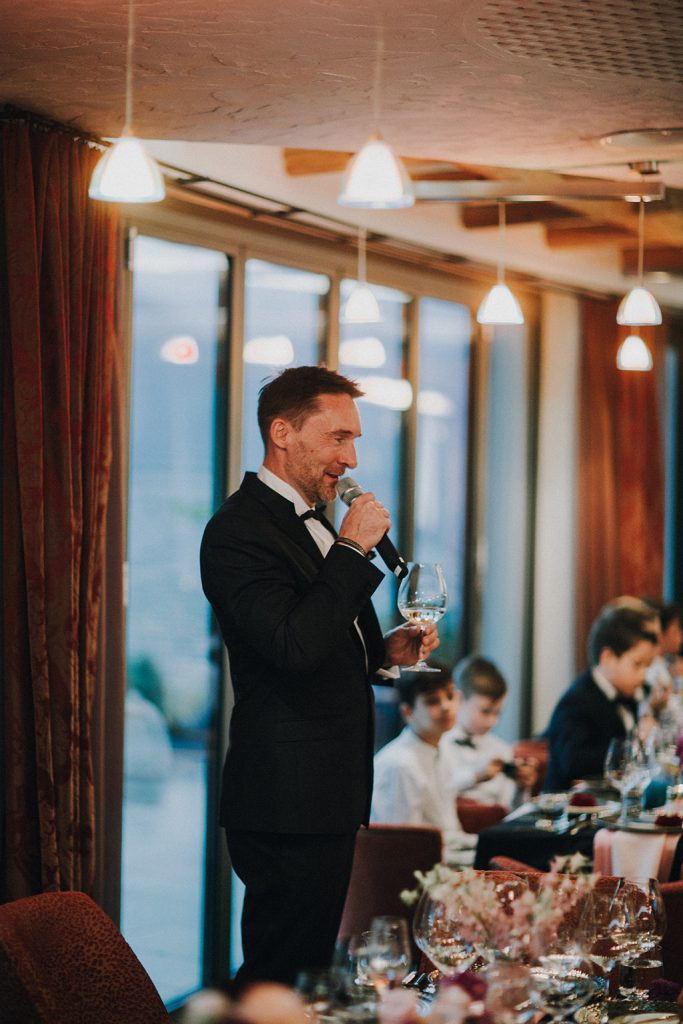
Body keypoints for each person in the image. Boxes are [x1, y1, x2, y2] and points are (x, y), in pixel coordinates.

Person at [200, 365, 439, 991]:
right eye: (337, 438)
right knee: (279, 973)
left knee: (308, 971)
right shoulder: (237, 532)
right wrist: (354, 552)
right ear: (282, 431)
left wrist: (385, 651)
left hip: (326, 793)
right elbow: (292, 647)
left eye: (353, 440)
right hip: (284, 798)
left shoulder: (314, 522)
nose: (350, 457)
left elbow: (322, 639)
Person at [370, 662, 477, 865]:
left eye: (450, 696)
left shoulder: (441, 747)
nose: (446, 706)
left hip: (443, 861)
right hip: (411, 879)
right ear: (408, 712)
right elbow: (404, 851)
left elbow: (448, 832)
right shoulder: (400, 764)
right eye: (432, 701)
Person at [543, 602, 658, 792]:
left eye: (647, 667)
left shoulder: (628, 696)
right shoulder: (577, 701)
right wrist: (634, 745)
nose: (642, 676)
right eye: (637, 665)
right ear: (607, 657)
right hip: (572, 809)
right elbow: (572, 762)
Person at [448, 655, 538, 808]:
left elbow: (509, 810)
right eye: (485, 711)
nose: (492, 721)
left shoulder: (502, 750)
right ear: (459, 699)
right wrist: (475, 776)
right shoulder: (438, 744)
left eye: (497, 713)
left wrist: (522, 788)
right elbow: (435, 793)